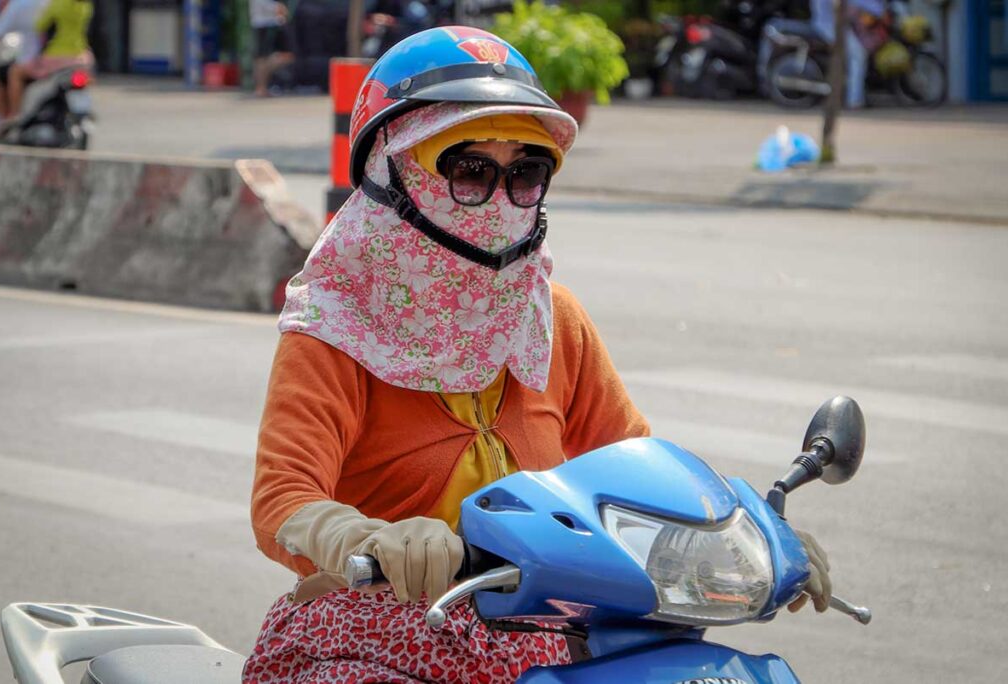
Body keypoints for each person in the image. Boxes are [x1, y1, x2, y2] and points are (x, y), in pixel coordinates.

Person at [243, 27, 835, 684]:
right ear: (393, 175)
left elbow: (638, 472)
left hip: (552, 634)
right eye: (469, 170)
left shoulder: (553, 319)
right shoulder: (332, 327)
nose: (500, 202)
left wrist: (746, 539)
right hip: (373, 633)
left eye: (525, 173)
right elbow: (282, 498)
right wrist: (369, 539)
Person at [759, 0, 885, 108]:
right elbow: (865, 5)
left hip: (826, 25)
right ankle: (854, 100)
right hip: (828, 28)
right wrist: (881, 8)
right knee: (857, 55)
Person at [3, 0, 91, 120]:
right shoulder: (86, 5)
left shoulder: (58, 3)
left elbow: (40, 25)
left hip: (57, 56)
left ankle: (14, 115)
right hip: (81, 56)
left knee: (15, 72)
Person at [0, 0, 48, 124]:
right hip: (74, 58)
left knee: (9, 72)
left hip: (39, 61)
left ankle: (8, 119)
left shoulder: (20, 4)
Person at [249, 0, 292, 97]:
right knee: (262, 58)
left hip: (274, 22)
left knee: (284, 56)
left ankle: (261, 86)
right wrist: (277, 7)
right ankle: (260, 87)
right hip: (263, 23)